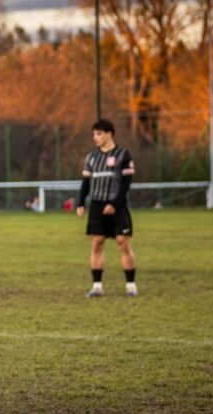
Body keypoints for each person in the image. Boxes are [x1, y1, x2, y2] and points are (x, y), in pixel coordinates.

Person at [76, 119, 137, 298]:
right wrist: (80, 203)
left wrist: (114, 205)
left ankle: (131, 286)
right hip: (96, 205)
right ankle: (97, 286)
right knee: (97, 243)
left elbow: (126, 184)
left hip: (118, 205)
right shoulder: (91, 158)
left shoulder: (123, 155)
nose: (95, 137)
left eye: (99, 133)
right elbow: (85, 183)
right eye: (94, 134)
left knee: (123, 242)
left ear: (109, 134)